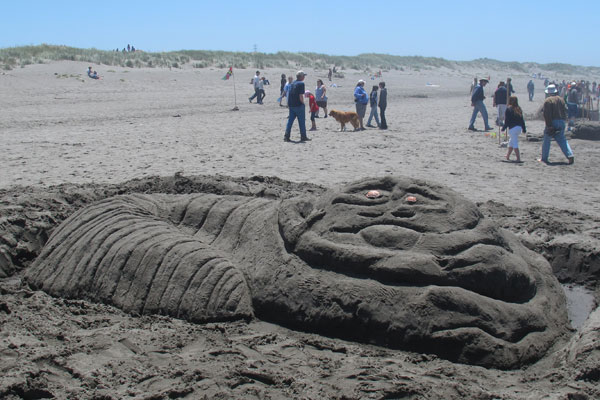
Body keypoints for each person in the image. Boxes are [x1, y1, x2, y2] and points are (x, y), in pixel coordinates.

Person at [539, 84, 574, 164]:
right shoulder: (561, 99)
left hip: (553, 121)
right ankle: (570, 155)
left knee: (547, 140)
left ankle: (544, 158)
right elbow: (565, 110)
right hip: (561, 121)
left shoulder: (548, 101)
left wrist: (549, 125)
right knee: (562, 140)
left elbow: (546, 114)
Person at [284, 71, 310, 142]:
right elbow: (300, 95)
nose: (304, 77)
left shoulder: (292, 83)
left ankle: (286, 136)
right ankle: (303, 136)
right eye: (303, 76)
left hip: (291, 105)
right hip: (298, 105)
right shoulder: (301, 83)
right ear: (301, 77)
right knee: (301, 122)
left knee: (290, 121)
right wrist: (303, 103)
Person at [501, 96, 526, 162]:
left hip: (513, 128)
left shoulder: (509, 109)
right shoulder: (519, 108)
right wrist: (524, 129)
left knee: (514, 143)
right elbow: (522, 120)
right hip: (519, 128)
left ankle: (518, 158)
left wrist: (503, 128)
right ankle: (508, 156)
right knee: (511, 142)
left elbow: (507, 120)